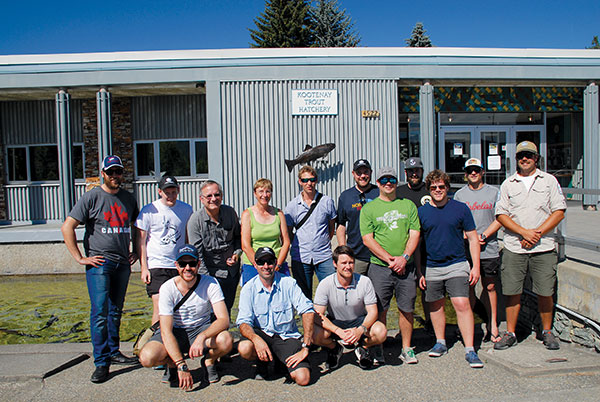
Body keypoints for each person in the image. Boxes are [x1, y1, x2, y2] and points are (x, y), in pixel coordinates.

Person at [61, 155, 139, 383]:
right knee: (100, 313)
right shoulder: (92, 197)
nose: (115, 176)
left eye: (119, 172)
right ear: (103, 174)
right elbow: (68, 226)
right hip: (100, 264)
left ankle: (114, 351)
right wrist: (79, 258)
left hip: (123, 263)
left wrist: (134, 249)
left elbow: (136, 226)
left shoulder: (129, 199)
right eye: (111, 172)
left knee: (116, 310)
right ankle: (101, 362)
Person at [494, 141, 566, 351]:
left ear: (536, 158)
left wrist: (537, 234)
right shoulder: (509, 183)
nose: (524, 159)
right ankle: (511, 332)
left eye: (529, 155)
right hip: (515, 246)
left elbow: (559, 211)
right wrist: (523, 233)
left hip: (543, 247)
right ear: (516, 159)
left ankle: (547, 331)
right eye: (520, 156)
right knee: (512, 291)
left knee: (545, 291)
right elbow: (501, 214)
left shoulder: (549, 181)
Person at [138, 244, 233, 391]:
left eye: (192, 263)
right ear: (176, 265)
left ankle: (209, 360)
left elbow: (223, 319)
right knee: (147, 357)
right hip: (176, 331)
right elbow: (166, 331)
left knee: (226, 340)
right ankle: (171, 363)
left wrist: (202, 336)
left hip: (200, 329)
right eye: (183, 264)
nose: (187, 268)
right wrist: (181, 364)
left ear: (198, 264)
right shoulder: (167, 288)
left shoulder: (211, 283)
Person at [417, 169, 484, 368]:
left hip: (457, 264)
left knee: (462, 304)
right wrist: (420, 271)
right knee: (435, 306)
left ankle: (470, 349)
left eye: (441, 187)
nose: (438, 190)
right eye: (433, 187)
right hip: (432, 266)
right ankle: (440, 342)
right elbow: (418, 244)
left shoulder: (461, 209)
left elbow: (473, 239)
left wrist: (476, 267)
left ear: (447, 187)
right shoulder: (422, 212)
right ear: (429, 190)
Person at [360, 166, 420, 365]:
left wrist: (404, 257)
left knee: (406, 308)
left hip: (406, 266)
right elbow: (368, 239)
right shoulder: (369, 208)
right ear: (377, 183)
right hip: (380, 267)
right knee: (379, 309)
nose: (388, 183)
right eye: (384, 180)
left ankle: (406, 348)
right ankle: (378, 347)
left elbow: (414, 234)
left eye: (392, 180)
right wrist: (389, 260)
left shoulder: (408, 205)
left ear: (397, 182)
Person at [236, 247, 315, 386]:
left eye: (269, 262)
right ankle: (262, 363)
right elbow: (243, 323)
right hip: (263, 336)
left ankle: (279, 361)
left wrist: (306, 347)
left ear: (276, 262)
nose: (266, 266)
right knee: (245, 347)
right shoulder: (249, 288)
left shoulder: (289, 283)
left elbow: (307, 310)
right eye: (261, 262)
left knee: (303, 378)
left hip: (286, 336)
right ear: (255, 265)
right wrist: (256, 339)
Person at [312, 246, 387, 370]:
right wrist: (337, 331)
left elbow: (373, 312)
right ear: (335, 264)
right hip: (336, 322)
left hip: (359, 321)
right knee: (313, 333)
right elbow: (317, 315)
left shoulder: (365, 281)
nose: (348, 266)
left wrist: (360, 330)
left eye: (351, 262)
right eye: (344, 263)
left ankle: (363, 347)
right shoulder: (325, 284)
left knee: (381, 331)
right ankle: (334, 348)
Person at [453, 158, 502, 343]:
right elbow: (456, 221)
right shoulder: (459, 195)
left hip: (489, 248)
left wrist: (484, 236)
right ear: (465, 174)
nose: (473, 173)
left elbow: (501, 217)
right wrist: (468, 236)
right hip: (466, 249)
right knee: (469, 288)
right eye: (469, 170)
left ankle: (493, 324)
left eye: (476, 170)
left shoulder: (494, 192)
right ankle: (469, 325)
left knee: (490, 286)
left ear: (482, 172)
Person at [135, 175, 193, 326]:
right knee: (160, 306)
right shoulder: (149, 210)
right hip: (157, 265)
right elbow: (141, 241)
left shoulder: (186, 209)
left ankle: (175, 340)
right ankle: (156, 341)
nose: (171, 196)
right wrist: (144, 268)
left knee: (179, 306)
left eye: (174, 192)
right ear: (160, 191)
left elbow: (186, 237)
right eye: (167, 192)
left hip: (177, 265)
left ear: (178, 191)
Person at [187, 180, 242, 314]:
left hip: (230, 273)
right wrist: (207, 281)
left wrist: (236, 254)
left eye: (217, 195)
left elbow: (238, 238)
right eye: (209, 196)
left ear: (222, 196)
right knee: (211, 313)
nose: (213, 199)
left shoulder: (230, 212)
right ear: (201, 199)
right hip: (209, 274)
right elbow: (197, 255)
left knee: (227, 310)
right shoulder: (195, 221)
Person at [285, 165, 337, 299]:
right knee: (303, 296)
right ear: (299, 182)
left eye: (312, 180)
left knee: (331, 293)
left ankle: (329, 319)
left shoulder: (327, 202)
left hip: (324, 256)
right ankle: (308, 320)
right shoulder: (292, 206)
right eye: (305, 180)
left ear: (316, 180)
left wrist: (324, 241)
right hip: (301, 257)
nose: (309, 183)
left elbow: (332, 226)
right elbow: (288, 231)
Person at [396, 156, 432, 333]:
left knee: (429, 290)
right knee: (408, 291)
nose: (414, 174)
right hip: (408, 248)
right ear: (406, 173)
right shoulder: (399, 192)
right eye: (410, 171)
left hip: (429, 247)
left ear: (422, 172)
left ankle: (431, 324)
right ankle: (406, 326)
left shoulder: (431, 190)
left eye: (417, 170)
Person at [241, 178, 291, 285]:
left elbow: (286, 242)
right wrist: (258, 265)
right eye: (261, 191)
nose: (265, 195)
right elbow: (245, 245)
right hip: (253, 265)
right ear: (255, 193)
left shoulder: (279, 214)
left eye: (268, 191)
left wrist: (278, 264)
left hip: (276, 263)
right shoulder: (247, 214)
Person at [336, 159, 379, 275]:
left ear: (371, 172)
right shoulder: (345, 196)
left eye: (366, 172)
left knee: (378, 292)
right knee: (355, 290)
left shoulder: (379, 193)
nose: (362, 176)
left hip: (379, 254)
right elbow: (341, 225)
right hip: (356, 255)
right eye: (359, 173)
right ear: (353, 174)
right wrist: (343, 250)